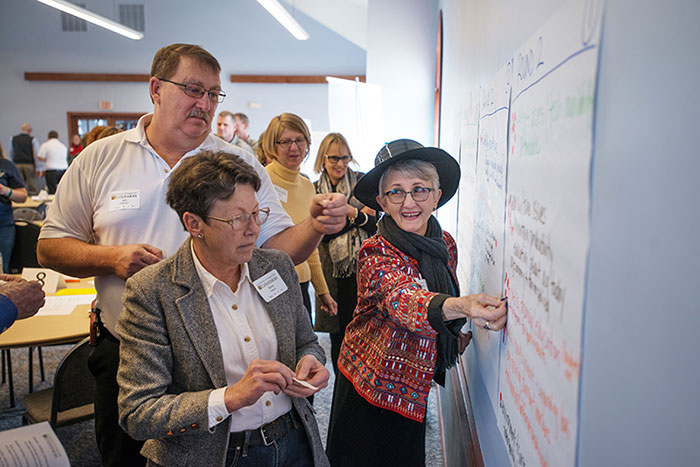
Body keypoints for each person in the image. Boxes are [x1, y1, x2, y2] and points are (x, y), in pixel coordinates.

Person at [37, 43, 346, 467]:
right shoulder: (101, 158)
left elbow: (274, 251)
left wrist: (314, 227)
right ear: (156, 89)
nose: (204, 103)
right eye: (193, 89)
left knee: (231, 442)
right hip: (129, 343)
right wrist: (110, 259)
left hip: (223, 339)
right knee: (129, 452)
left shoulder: (236, 161)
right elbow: (49, 246)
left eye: (214, 94)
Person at [117, 151, 330, 467]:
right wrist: (230, 397)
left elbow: (306, 341)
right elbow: (138, 413)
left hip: (293, 442)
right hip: (215, 454)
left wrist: (310, 360)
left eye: (258, 214)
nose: (254, 229)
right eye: (238, 218)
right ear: (194, 223)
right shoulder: (153, 291)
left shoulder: (276, 267)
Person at [326, 139, 508, 467]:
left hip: (414, 388)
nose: (409, 202)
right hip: (369, 386)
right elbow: (404, 300)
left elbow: (439, 297)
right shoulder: (375, 252)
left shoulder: (445, 245)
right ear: (381, 201)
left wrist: (454, 336)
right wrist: (464, 306)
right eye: (396, 192)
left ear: (437, 196)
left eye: (420, 189)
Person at [261, 113, 338, 324]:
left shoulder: (307, 186)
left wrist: (322, 291)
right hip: (268, 284)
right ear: (272, 145)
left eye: (299, 140)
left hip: (301, 284)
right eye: (285, 141)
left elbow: (310, 246)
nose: (294, 148)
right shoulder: (261, 180)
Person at [312, 133, 376, 375]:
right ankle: (342, 381)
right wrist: (356, 214)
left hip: (361, 267)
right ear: (323, 159)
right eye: (334, 158)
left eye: (345, 158)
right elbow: (322, 232)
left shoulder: (362, 184)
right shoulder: (314, 188)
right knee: (337, 331)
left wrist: (345, 215)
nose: (340, 164)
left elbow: (376, 225)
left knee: (362, 327)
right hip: (330, 269)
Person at [0, 143, 28, 273]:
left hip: (3, 225)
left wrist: (5, 190)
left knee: (3, 270)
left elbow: (22, 196)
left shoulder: (7, 166)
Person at [9, 123, 40, 194]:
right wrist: (38, 167)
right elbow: (36, 154)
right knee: (31, 183)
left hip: (17, 164)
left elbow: (11, 152)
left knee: (19, 184)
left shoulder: (13, 139)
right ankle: (33, 198)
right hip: (29, 164)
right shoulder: (32, 139)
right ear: (29, 130)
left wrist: (12, 164)